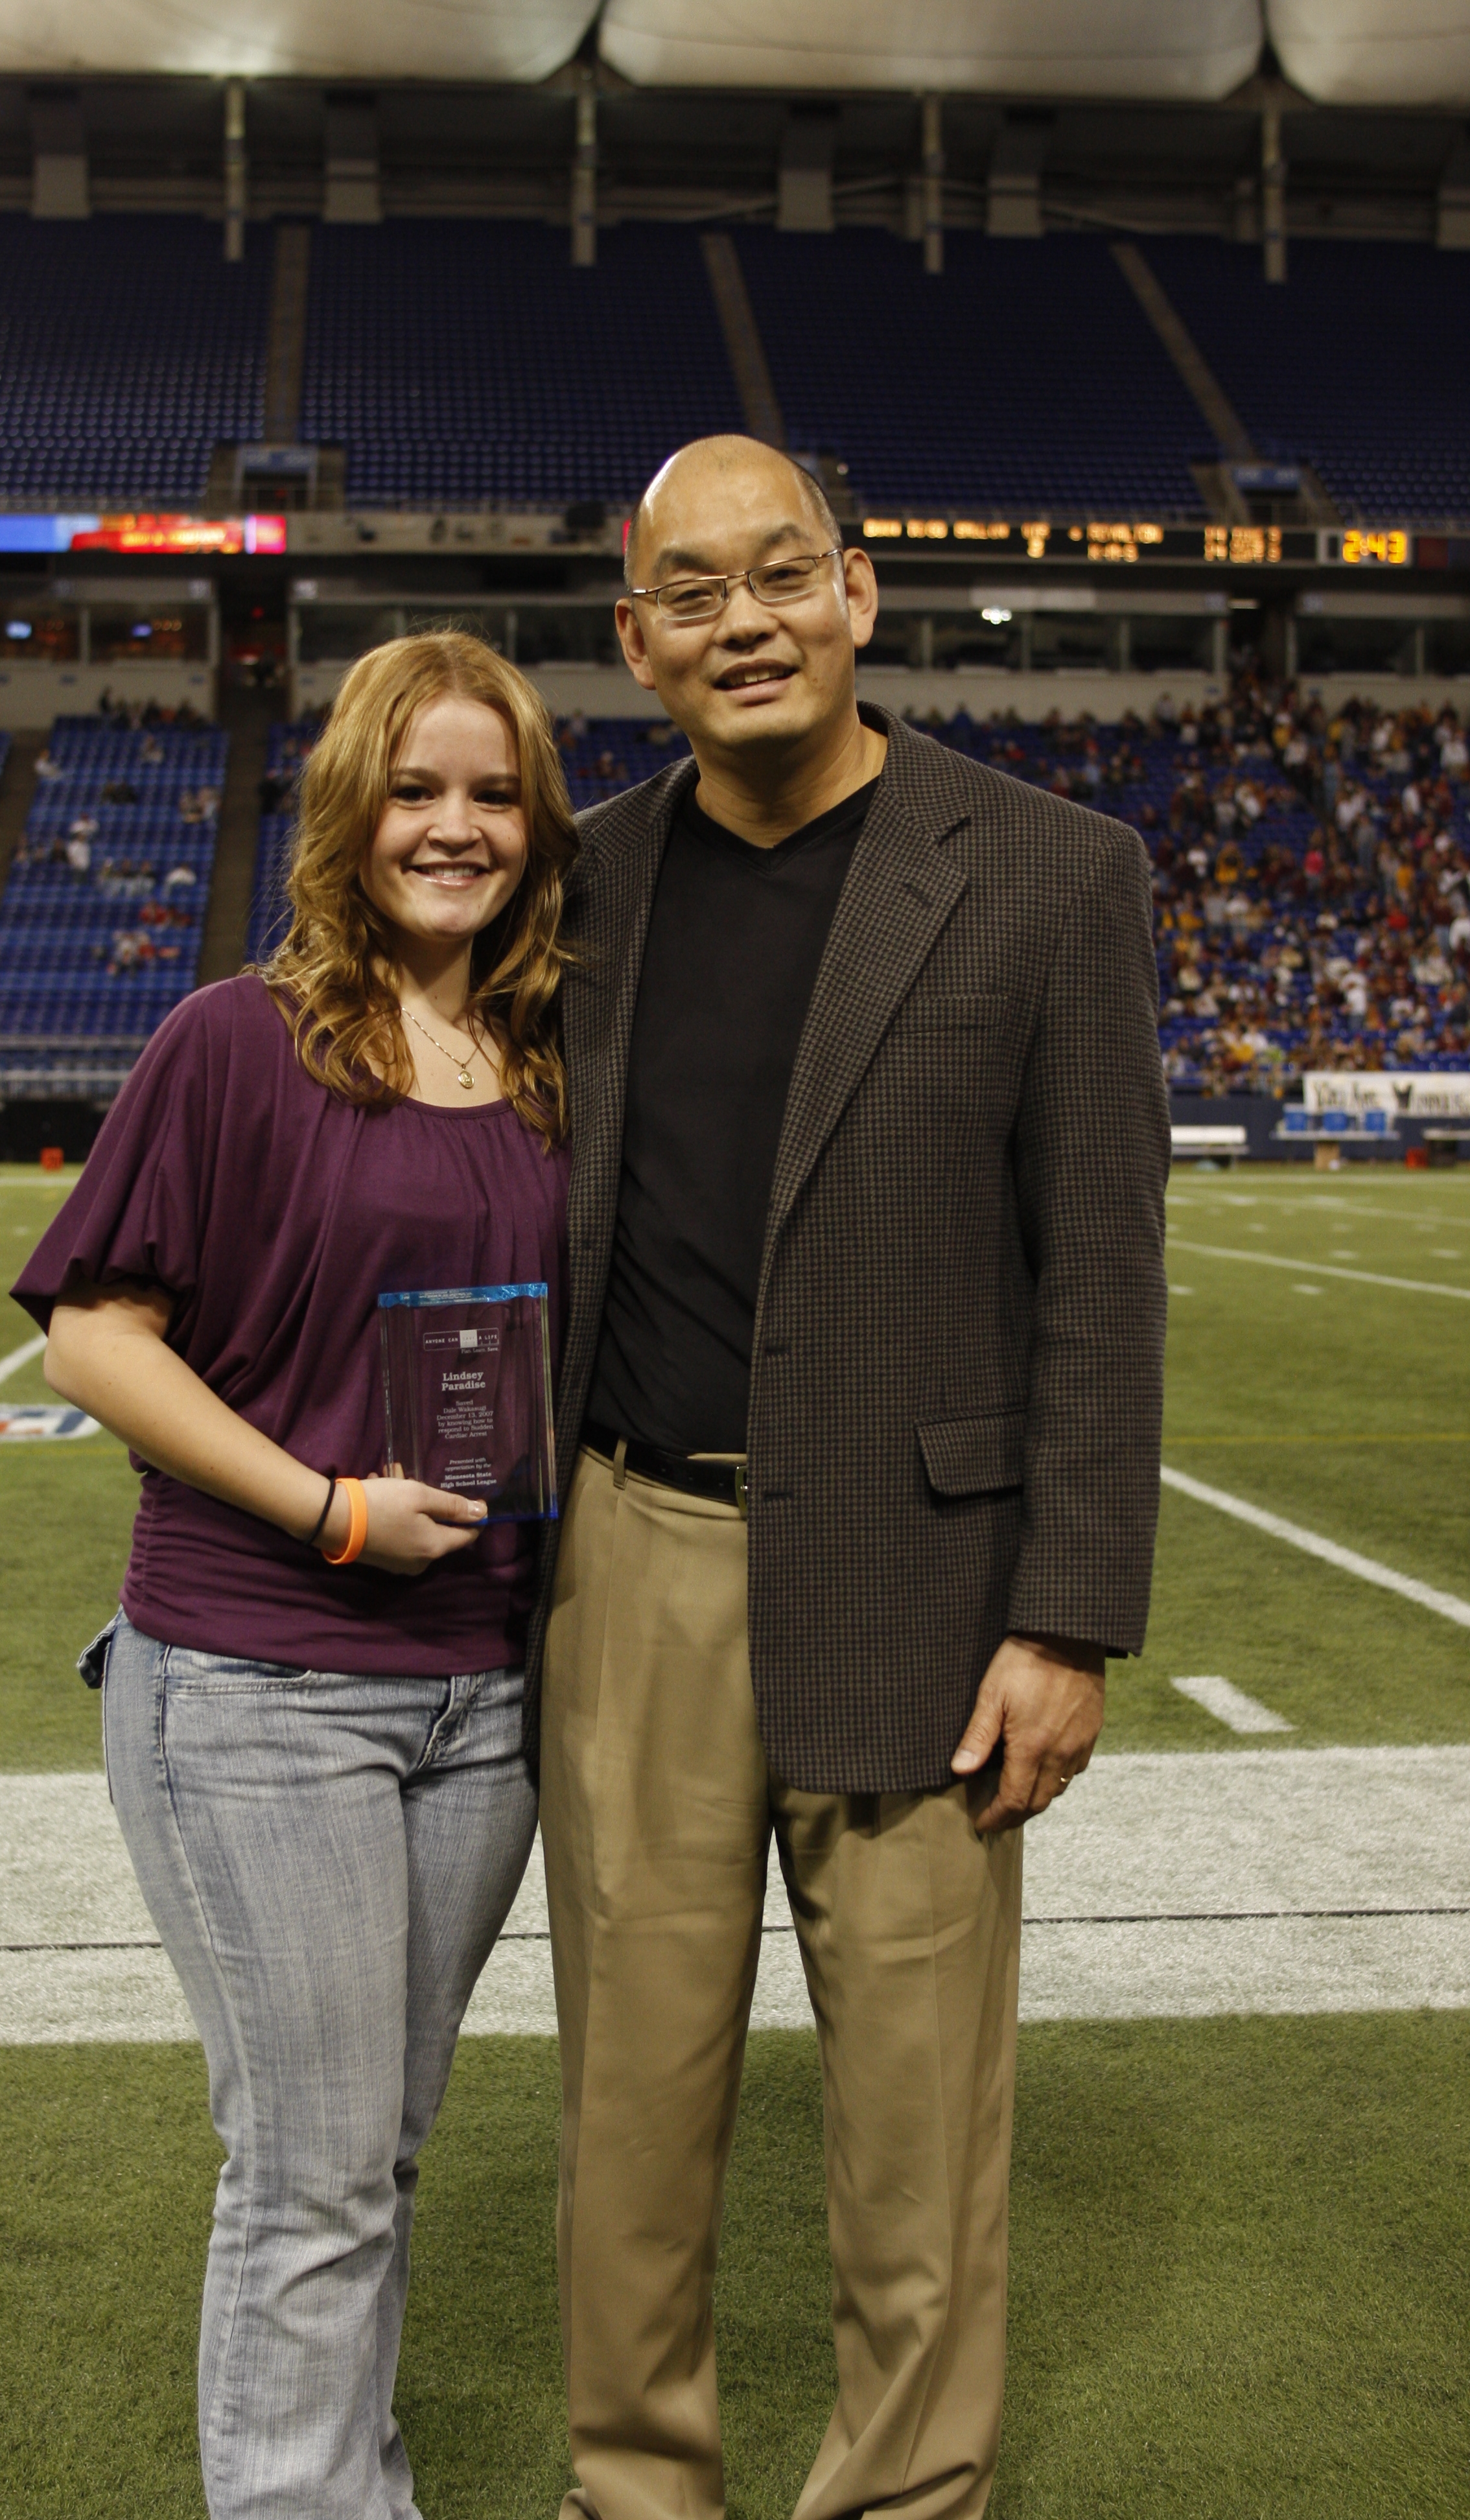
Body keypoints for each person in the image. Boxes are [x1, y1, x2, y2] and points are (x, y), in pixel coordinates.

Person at [533, 438, 1167, 2520]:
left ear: (861, 591)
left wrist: (1067, 1618)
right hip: (638, 1563)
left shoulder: (1055, 875)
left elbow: (1104, 1276)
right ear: (636, 643)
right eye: (689, 592)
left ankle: (904, 2502)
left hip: (927, 1581)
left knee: (916, 2147)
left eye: (778, 573)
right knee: (631, 2128)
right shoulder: (590, 879)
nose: (743, 621)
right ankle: (643, 2495)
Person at [10, 631, 575, 2520]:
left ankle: (350, 2484)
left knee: (375, 2153)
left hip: (486, 1691)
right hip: (266, 1678)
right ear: (350, 806)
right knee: (314, 2166)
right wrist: (328, 1507)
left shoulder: (558, 1050)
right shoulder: (234, 1040)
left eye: (492, 792)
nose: (456, 826)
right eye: (416, 787)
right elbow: (94, 1339)